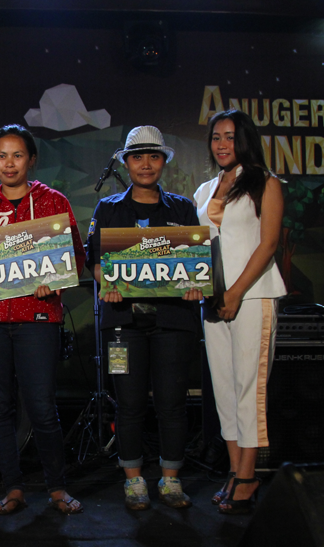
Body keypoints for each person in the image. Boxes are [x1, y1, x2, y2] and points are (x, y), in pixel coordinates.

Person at [0, 124, 86, 515]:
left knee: (42, 406)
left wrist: (55, 282)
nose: (9, 163)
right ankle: (12, 488)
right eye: (1, 156)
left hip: (37, 319)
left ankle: (57, 488)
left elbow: (75, 257)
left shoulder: (53, 202)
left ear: (31, 159)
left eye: (17, 155)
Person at [85, 126, 202, 510]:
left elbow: (194, 263)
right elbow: (94, 260)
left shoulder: (182, 208)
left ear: (164, 161)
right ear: (127, 163)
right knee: (129, 404)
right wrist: (107, 282)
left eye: (154, 156)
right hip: (123, 322)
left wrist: (194, 284)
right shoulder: (108, 209)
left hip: (173, 320)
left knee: (172, 404)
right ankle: (133, 480)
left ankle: (171, 479)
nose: (146, 164)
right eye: (138, 157)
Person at [194, 110, 285, 515]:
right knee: (225, 389)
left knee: (250, 387)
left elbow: (268, 244)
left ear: (244, 139)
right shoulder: (204, 190)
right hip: (212, 301)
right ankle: (234, 471)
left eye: (230, 136)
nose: (222, 144)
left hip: (252, 296)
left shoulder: (265, 183)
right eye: (216, 137)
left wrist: (235, 292)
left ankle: (249, 475)